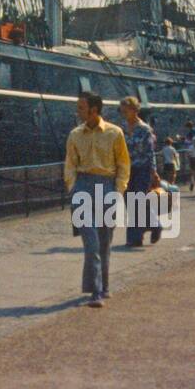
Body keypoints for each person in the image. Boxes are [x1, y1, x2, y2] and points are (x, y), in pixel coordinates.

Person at [64, 91, 130, 308]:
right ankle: (95, 292)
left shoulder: (115, 133)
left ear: (94, 110)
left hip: (107, 186)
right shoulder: (75, 135)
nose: (78, 110)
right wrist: (73, 188)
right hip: (83, 187)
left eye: (81, 107)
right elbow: (70, 164)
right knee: (91, 243)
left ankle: (104, 285)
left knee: (104, 243)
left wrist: (118, 191)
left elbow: (123, 164)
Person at [119, 96, 157, 247]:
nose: (123, 114)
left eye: (125, 111)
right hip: (127, 170)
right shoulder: (121, 128)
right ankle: (154, 225)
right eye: (121, 111)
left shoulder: (144, 129)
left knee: (139, 201)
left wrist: (153, 171)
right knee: (130, 201)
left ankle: (135, 238)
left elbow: (150, 152)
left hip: (142, 168)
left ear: (134, 110)